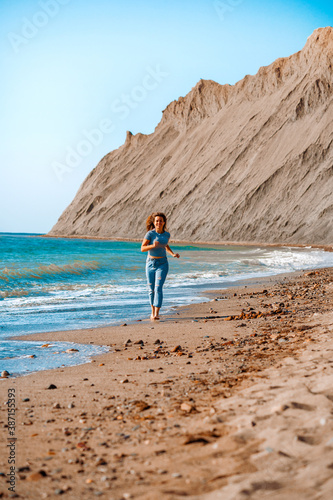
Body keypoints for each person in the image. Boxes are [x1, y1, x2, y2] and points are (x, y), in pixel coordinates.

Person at [141, 212, 180, 320]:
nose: (159, 222)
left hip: (162, 263)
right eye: (157, 221)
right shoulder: (150, 234)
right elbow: (142, 248)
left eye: (161, 221)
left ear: (164, 222)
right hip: (150, 263)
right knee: (151, 289)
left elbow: (165, 246)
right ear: (154, 222)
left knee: (158, 288)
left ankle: (157, 313)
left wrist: (172, 254)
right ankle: (152, 311)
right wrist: (152, 245)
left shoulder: (166, 235)